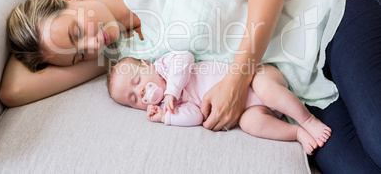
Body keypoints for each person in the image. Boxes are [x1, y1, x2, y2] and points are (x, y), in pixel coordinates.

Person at [0, 0, 380, 173]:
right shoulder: (121, 58)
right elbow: (13, 90)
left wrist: (236, 79)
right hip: (301, 93)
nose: (91, 44)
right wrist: (50, 45)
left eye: (74, 32)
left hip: (332, 24)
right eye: (80, 54)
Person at [107, 51, 331, 155]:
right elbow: (195, 116)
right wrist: (167, 116)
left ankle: (307, 120)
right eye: (134, 99)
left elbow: (186, 59)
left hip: (254, 77)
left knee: (267, 89)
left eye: (137, 81)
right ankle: (297, 133)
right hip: (251, 108)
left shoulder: (165, 65)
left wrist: (172, 90)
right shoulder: (171, 108)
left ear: (147, 64)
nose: (141, 92)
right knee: (249, 123)